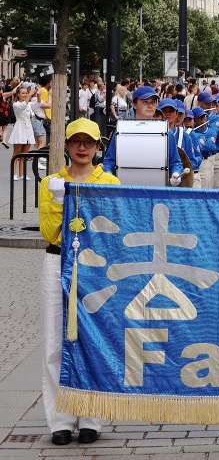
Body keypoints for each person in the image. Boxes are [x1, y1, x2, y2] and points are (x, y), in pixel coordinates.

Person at [39, 118, 120, 445]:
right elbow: (48, 232)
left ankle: (91, 418)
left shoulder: (111, 182)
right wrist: (61, 201)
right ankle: (60, 420)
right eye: (77, 142)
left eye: (89, 142)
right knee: (54, 343)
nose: (83, 148)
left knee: (92, 339)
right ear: (67, 146)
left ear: (98, 147)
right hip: (57, 260)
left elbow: (115, 226)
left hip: (94, 264)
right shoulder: (50, 184)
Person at [8, 82, 36, 180]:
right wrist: (29, 95)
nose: (25, 95)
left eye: (26, 93)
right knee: (16, 153)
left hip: (28, 128)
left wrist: (39, 95)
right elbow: (22, 106)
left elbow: (38, 104)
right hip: (20, 128)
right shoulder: (16, 104)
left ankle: (22, 174)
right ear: (18, 95)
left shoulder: (29, 104)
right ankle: (13, 173)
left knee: (25, 153)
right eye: (23, 93)